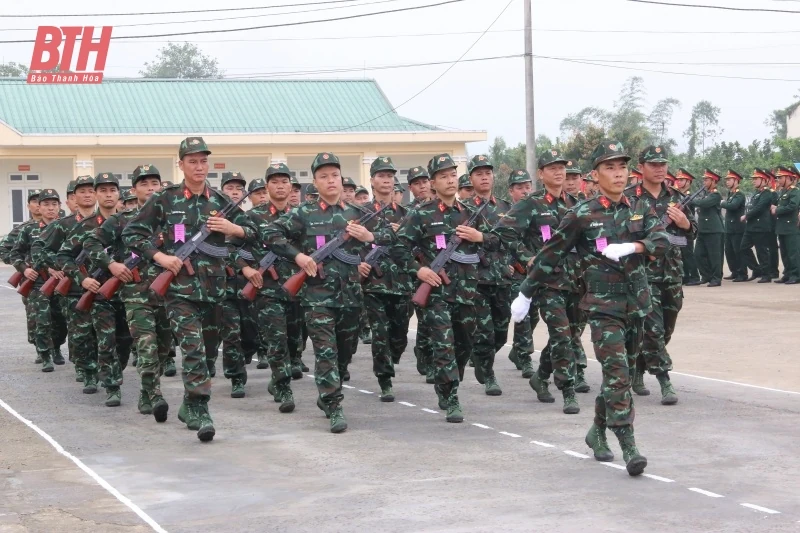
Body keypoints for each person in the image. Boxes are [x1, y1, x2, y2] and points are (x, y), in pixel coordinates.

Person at [510, 140, 669, 476]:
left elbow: (663, 241)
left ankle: (596, 430)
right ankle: (629, 444)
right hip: (601, 307)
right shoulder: (582, 214)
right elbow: (551, 253)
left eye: (622, 167)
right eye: (610, 168)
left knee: (618, 378)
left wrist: (636, 245)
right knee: (618, 375)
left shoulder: (639, 207)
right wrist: (526, 292)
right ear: (595, 175)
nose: (618, 173)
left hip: (638, 305)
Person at [123, 137, 258, 442]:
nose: (199, 167)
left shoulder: (222, 202)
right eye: (193, 161)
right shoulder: (166, 199)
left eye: (203, 161)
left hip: (214, 290)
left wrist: (233, 230)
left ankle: (188, 403)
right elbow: (133, 232)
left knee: (209, 354)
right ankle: (200, 409)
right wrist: (160, 257)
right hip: (180, 291)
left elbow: (254, 232)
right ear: (181, 164)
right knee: (193, 350)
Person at [263, 152, 384, 433]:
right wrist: (298, 257)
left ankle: (332, 388)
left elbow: (395, 238)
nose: (331, 181)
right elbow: (270, 234)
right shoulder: (303, 214)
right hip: (317, 296)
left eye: (334, 175)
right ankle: (333, 403)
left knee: (344, 352)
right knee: (325, 352)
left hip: (351, 294)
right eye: (324, 176)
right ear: (314, 183)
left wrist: (370, 237)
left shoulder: (359, 213)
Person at [395, 153, 499, 423]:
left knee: (464, 345)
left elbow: (497, 241)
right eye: (443, 176)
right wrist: (420, 270)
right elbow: (398, 248)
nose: (450, 180)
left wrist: (480, 237)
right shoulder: (421, 214)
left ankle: (449, 380)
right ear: (432, 182)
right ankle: (451, 395)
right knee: (444, 345)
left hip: (467, 291)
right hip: (437, 293)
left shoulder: (469, 213)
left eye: (453, 175)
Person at [83, 165, 172, 421]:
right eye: (144, 184)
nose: (151, 188)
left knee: (164, 347)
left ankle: (146, 391)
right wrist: (111, 264)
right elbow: (92, 242)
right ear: (134, 190)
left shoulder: (174, 220)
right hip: (136, 294)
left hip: (170, 294)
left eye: (155, 183)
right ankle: (154, 394)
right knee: (146, 347)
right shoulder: (122, 220)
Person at [495, 150, 582, 414]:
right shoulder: (530, 204)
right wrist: (525, 256)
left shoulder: (575, 204)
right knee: (561, 334)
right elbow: (504, 231)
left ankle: (541, 376)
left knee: (569, 335)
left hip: (576, 280)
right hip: (547, 281)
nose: (559, 172)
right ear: (541, 174)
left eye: (562, 167)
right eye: (551, 167)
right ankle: (567, 390)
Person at [625, 146, 695, 404]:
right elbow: (621, 236)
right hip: (643, 273)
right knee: (652, 329)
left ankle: (640, 367)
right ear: (641, 167)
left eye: (663, 164)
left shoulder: (677, 198)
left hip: (672, 272)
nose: (659, 169)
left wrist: (685, 225)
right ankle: (665, 380)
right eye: (653, 164)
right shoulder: (629, 198)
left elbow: (688, 240)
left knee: (666, 329)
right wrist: (646, 247)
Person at [58, 173, 134, 408]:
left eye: (113, 190)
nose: (108, 194)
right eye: (103, 190)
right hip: (99, 291)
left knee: (124, 340)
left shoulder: (131, 223)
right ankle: (111, 385)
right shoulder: (85, 227)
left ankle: (113, 371)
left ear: (119, 194)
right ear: (97, 194)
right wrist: (82, 279)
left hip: (127, 291)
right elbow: (63, 255)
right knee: (104, 339)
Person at [240, 165, 302, 413]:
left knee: (295, 340)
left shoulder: (301, 216)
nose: (279, 186)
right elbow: (232, 248)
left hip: (298, 288)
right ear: (266, 187)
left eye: (284, 181)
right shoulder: (252, 217)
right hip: (267, 289)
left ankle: (278, 380)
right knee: (276, 341)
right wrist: (246, 269)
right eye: (274, 182)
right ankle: (283, 386)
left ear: (291, 186)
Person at [33, 176, 98, 387]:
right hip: (74, 286)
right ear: (73, 198)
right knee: (79, 333)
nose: (87, 195)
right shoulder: (64, 224)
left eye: (91, 190)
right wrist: (54, 267)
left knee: (101, 333)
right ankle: (85, 369)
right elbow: (41, 248)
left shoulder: (107, 221)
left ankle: (98, 367)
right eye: (82, 191)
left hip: (102, 285)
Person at [465, 155, 512, 396]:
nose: (484, 177)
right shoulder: (464, 209)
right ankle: (488, 372)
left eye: (488, 173)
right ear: (471, 178)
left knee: (502, 332)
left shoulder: (505, 207)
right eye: (479, 173)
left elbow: (513, 238)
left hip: (502, 276)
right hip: (477, 279)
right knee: (485, 330)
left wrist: (484, 238)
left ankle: (481, 355)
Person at [10, 188, 67, 372]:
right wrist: (24, 270)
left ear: (60, 206)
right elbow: (15, 253)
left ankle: (57, 347)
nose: (50, 208)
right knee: (42, 319)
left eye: (54, 204)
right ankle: (44, 354)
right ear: (39, 207)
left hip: (62, 280)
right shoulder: (28, 229)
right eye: (46, 204)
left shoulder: (66, 226)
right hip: (38, 282)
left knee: (60, 319)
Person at [216, 171, 253, 397]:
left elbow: (258, 241)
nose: (235, 192)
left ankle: (247, 355)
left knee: (250, 334)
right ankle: (236, 377)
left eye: (239, 189)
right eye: (230, 188)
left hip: (250, 286)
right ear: (222, 191)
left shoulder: (247, 220)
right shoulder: (214, 219)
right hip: (224, 286)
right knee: (231, 335)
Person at [504, 169, 538, 379]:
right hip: (514, 272)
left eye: (528, 187)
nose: (525, 191)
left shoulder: (536, 210)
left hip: (535, 270)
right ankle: (525, 358)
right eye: (520, 187)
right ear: (511, 191)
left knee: (533, 316)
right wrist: (510, 264)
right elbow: (503, 240)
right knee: (522, 316)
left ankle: (517, 349)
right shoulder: (506, 213)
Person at [740, 169, 775, 283]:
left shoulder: (767, 193)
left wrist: (746, 215)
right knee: (743, 248)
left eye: (756, 179)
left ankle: (766, 274)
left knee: (762, 251)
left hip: (761, 226)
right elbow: (751, 206)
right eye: (753, 179)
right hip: (751, 227)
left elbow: (759, 207)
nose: (753, 181)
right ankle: (757, 269)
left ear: (764, 180)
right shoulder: (756, 193)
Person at [691, 170, 725, 287]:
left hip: (713, 229)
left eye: (706, 180)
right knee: (698, 254)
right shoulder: (706, 194)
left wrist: (692, 200)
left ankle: (716, 278)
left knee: (714, 255)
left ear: (713, 181)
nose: (704, 182)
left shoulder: (715, 195)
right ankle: (706, 275)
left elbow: (704, 203)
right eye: (704, 180)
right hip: (703, 229)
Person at [771, 166, 800, 284]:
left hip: (791, 226)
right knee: (784, 252)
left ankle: (796, 275)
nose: (778, 179)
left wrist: (777, 209)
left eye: (780, 177)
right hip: (782, 226)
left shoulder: (795, 191)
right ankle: (787, 273)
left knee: (793, 252)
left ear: (788, 178)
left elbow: (792, 206)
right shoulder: (783, 191)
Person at [673, 170, 702, 286]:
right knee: (682, 254)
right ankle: (685, 276)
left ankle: (695, 276)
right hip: (678, 230)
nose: (679, 182)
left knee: (689, 254)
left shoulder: (689, 196)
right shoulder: (678, 195)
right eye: (678, 180)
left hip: (687, 228)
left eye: (682, 180)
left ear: (688, 182)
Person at [722, 170, 748, 282]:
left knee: (738, 251)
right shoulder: (731, 194)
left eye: (729, 180)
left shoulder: (739, 194)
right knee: (729, 251)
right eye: (726, 180)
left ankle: (742, 273)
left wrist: (722, 203)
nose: (727, 182)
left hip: (737, 228)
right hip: (729, 228)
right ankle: (734, 271)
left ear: (736, 181)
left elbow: (733, 206)